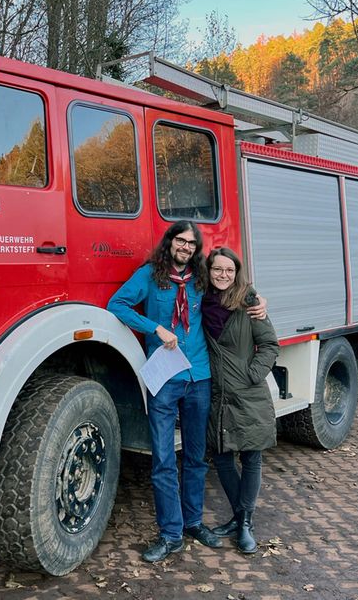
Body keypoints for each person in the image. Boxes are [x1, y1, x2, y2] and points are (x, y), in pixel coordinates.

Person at [107, 222, 266, 563]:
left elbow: (232, 284)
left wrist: (259, 301)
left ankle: (193, 522)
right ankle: (170, 534)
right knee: (163, 459)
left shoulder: (201, 279)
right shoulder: (150, 275)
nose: (185, 247)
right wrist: (155, 328)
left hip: (200, 377)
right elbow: (116, 304)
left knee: (195, 458)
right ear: (170, 242)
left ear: (196, 249)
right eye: (180, 240)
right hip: (164, 378)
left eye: (192, 243)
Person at [201, 247, 279, 554]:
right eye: (217, 269)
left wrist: (252, 374)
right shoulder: (201, 302)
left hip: (248, 393)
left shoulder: (249, 301)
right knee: (221, 457)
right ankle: (239, 517)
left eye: (229, 270)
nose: (223, 275)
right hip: (217, 394)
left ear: (237, 273)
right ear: (208, 272)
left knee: (250, 457)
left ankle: (244, 522)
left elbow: (270, 345)